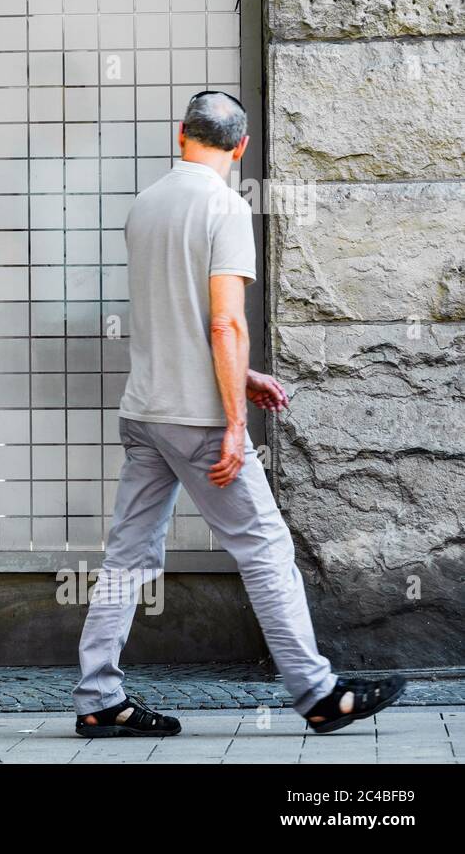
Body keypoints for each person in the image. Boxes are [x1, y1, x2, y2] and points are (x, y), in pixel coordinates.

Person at [71, 91, 405, 738]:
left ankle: (97, 695)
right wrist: (232, 418)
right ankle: (317, 693)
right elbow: (223, 320)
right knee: (265, 546)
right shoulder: (224, 207)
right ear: (241, 146)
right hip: (197, 419)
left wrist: (242, 376)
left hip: (144, 411)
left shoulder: (146, 205)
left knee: (126, 557)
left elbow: (173, 318)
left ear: (181, 134)